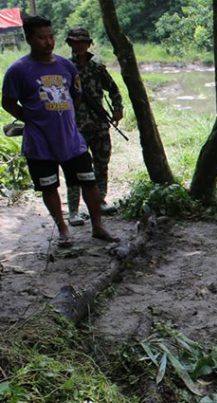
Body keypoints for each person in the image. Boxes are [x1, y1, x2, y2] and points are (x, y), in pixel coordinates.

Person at [1, 15, 117, 247]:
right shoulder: (18, 70)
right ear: (29, 39)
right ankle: (63, 229)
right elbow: (8, 102)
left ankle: (98, 226)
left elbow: (75, 96)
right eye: (42, 38)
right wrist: (29, 117)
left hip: (71, 139)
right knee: (49, 186)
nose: (48, 42)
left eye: (51, 36)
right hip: (39, 142)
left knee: (89, 181)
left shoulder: (66, 66)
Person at [65, 27, 123, 226]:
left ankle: (100, 201)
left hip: (99, 125)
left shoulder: (97, 67)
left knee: (101, 164)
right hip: (74, 127)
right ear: (69, 44)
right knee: (75, 169)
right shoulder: (64, 67)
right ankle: (73, 211)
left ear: (88, 44)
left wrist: (118, 109)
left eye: (82, 41)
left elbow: (113, 89)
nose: (79, 45)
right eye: (74, 41)